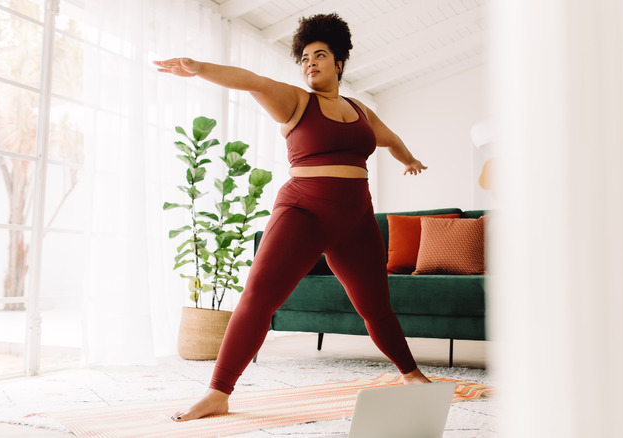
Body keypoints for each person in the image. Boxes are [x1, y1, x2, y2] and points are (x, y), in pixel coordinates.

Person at [155, 13, 430, 422]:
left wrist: (410, 160)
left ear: (340, 62)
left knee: (376, 307)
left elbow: (390, 139)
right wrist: (200, 69)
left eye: (320, 55)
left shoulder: (361, 111)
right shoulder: (296, 101)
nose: (310, 63)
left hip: (356, 220)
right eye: (303, 57)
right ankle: (218, 391)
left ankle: (412, 375)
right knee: (259, 297)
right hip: (303, 212)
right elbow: (250, 80)